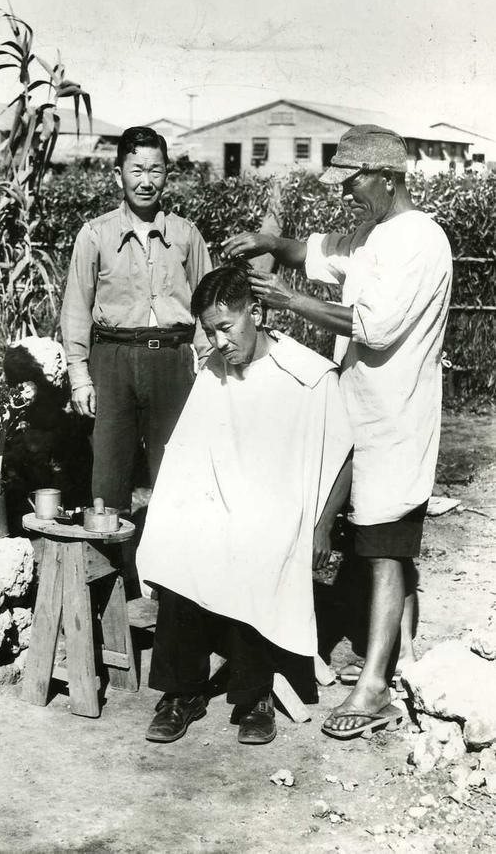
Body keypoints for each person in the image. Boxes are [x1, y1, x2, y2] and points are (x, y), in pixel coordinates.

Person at [222, 124, 453, 739]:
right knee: (376, 541)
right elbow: (315, 253)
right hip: (361, 408)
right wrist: (267, 241)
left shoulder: (420, 240)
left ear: (386, 177)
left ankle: (374, 687)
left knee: (385, 546)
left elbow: (373, 328)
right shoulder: (374, 232)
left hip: (397, 413)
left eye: (354, 181)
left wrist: (288, 301)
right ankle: (397, 658)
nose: (347, 191)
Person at [137, 263, 352, 745]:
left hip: (277, 515)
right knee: (179, 548)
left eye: (226, 328)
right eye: (210, 332)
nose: (218, 343)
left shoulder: (308, 375)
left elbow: (343, 455)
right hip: (220, 506)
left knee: (256, 550)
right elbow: (190, 451)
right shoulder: (213, 371)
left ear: (255, 311)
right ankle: (181, 692)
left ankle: (254, 697)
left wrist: (323, 526)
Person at [61, 126, 211, 512]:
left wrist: (208, 364)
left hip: (173, 362)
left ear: (167, 175)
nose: (146, 182)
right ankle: (109, 568)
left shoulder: (186, 235)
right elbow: (76, 307)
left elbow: (208, 305)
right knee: (109, 475)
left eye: (155, 171)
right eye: (137, 170)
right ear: (119, 174)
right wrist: (79, 376)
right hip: (112, 361)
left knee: (178, 470)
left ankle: (169, 568)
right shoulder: (95, 235)